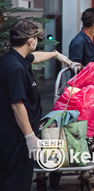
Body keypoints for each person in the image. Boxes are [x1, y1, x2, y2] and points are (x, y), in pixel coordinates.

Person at [0, 19, 74, 191]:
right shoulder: (15, 69)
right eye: (36, 38)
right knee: (16, 183)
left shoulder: (12, 58)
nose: (37, 41)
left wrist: (56, 55)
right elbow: (17, 105)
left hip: (10, 134)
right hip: (16, 137)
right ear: (30, 41)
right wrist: (30, 137)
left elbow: (35, 57)